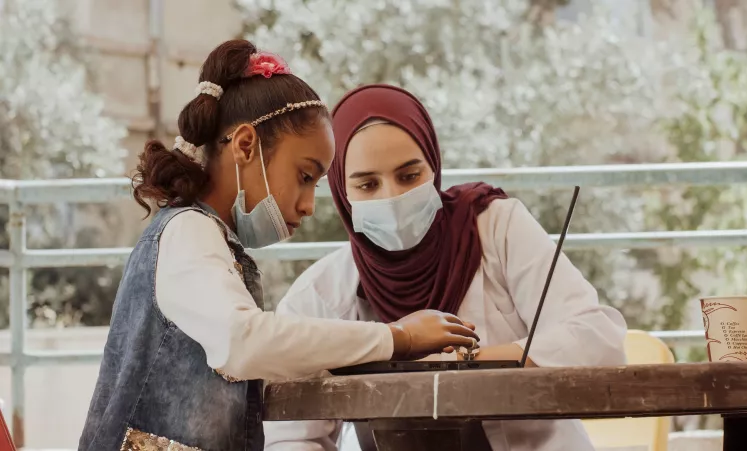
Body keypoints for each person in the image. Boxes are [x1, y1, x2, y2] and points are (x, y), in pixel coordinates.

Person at [78, 42, 478, 451]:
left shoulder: (213, 242)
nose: (308, 206)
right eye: (305, 176)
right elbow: (243, 341)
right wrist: (398, 338)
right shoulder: (185, 232)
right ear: (246, 146)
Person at [263, 84, 628, 451]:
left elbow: (598, 340)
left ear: (433, 167)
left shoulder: (496, 229)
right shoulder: (321, 295)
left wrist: (468, 364)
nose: (392, 198)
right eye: (367, 184)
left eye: (409, 176)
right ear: (343, 192)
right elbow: (292, 436)